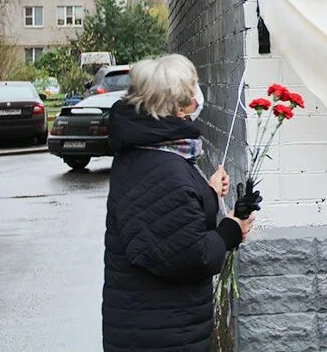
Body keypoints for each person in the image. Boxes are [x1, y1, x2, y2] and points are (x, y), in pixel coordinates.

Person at [102, 54, 260, 351]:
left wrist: (209, 194)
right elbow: (188, 255)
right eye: (191, 90)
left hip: (151, 324)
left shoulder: (148, 153)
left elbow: (167, 221)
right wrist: (230, 231)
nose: (196, 97)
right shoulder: (163, 169)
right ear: (175, 105)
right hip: (161, 334)